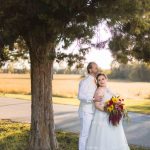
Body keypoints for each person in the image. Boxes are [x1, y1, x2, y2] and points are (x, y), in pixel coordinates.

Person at [86, 73, 130, 150]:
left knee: (114, 135)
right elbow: (97, 105)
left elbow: (115, 99)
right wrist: (108, 111)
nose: (101, 81)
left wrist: (118, 105)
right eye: (99, 80)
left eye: (103, 79)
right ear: (97, 82)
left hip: (112, 115)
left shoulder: (108, 89)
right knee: (104, 136)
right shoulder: (99, 90)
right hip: (103, 116)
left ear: (106, 79)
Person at [78, 62, 99, 150]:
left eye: (97, 68)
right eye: (95, 68)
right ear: (90, 70)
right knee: (84, 134)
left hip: (94, 111)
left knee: (90, 135)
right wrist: (93, 98)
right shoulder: (85, 81)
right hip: (86, 111)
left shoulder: (96, 81)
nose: (97, 69)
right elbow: (80, 96)